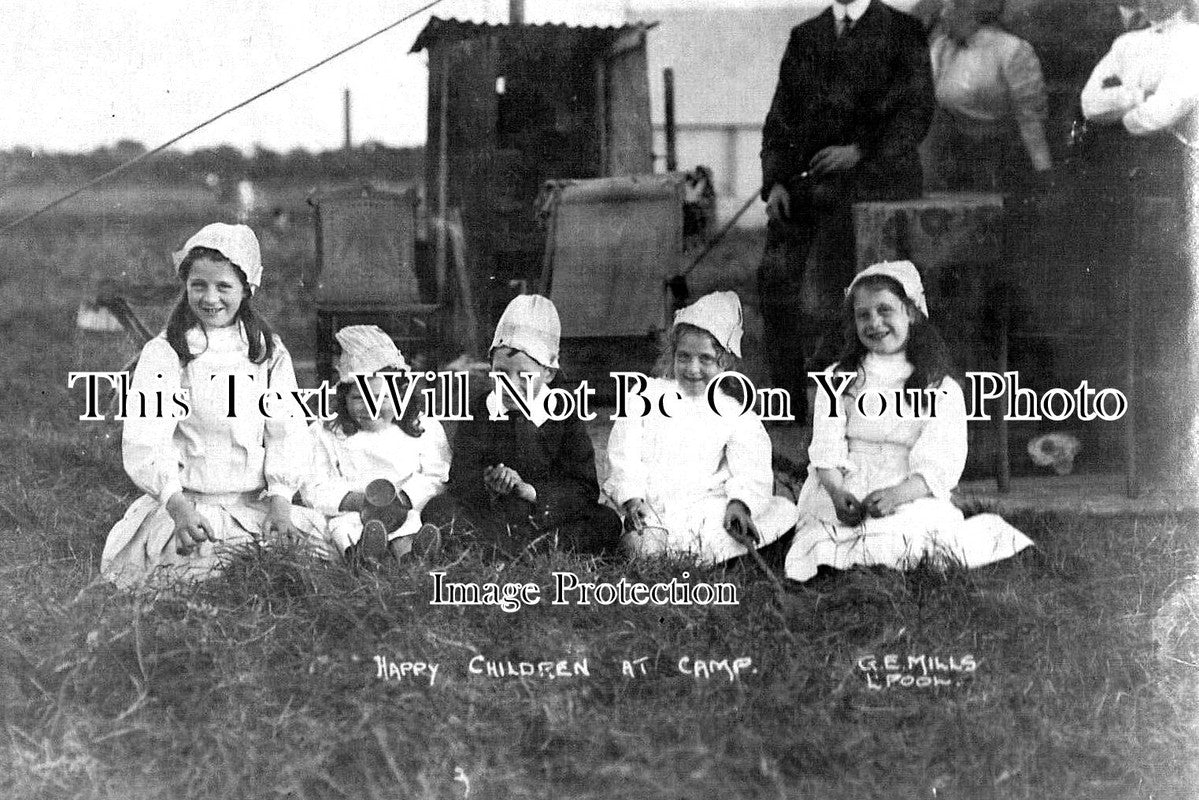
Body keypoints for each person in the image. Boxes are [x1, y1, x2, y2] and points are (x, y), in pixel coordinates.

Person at [101, 223, 328, 588]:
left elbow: (287, 431)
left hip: (252, 504)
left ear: (246, 288)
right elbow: (147, 438)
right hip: (189, 508)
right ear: (186, 286)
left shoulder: (266, 351)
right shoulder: (167, 352)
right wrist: (177, 506)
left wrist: (282, 499)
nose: (210, 298)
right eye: (198, 286)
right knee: (197, 575)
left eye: (224, 286)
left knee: (301, 566)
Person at [783, 260, 1033, 582]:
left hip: (908, 485)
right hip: (846, 481)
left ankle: (882, 556)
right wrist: (835, 490)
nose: (875, 323)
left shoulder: (938, 386)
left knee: (916, 532)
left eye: (885, 310)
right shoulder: (838, 378)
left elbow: (941, 462)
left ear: (911, 313)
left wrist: (897, 495)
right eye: (864, 315)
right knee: (820, 538)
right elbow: (827, 446)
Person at [757, 0, 935, 417]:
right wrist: (777, 181)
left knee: (837, 285)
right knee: (777, 277)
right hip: (811, 184)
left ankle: (848, 397)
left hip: (877, 176)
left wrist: (858, 150)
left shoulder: (902, 30)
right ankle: (788, 402)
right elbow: (780, 117)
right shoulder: (806, 37)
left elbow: (916, 111)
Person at [604, 292, 799, 565]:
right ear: (672, 355)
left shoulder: (734, 410)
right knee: (643, 543)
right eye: (684, 357)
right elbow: (624, 455)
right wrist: (633, 499)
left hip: (706, 509)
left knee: (783, 512)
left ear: (726, 363)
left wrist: (739, 503)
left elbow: (751, 467)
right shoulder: (645, 396)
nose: (692, 368)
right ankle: (685, 554)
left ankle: (716, 552)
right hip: (653, 509)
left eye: (705, 359)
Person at [421, 295, 621, 559]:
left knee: (606, 521)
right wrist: (489, 484)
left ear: (548, 373)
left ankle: (528, 549)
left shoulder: (563, 413)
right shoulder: (482, 409)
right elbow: (461, 475)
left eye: (524, 376)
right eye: (501, 373)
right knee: (438, 508)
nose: (510, 386)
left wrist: (531, 492)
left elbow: (583, 487)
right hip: (492, 513)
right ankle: (502, 548)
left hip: (544, 516)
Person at [302, 325, 450, 566]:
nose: (371, 408)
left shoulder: (423, 427)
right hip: (353, 511)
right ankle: (363, 558)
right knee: (345, 530)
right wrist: (357, 502)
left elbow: (438, 474)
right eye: (359, 398)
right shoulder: (327, 431)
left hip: (405, 509)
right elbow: (314, 486)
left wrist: (404, 498)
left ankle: (412, 558)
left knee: (410, 529)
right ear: (343, 398)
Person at [921, 0, 1053, 192]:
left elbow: (1030, 120)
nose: (942, 15)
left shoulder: (1012, 50)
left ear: (972, 8)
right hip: (953, 158)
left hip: (1004, 159)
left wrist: (1044, 175)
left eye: (951, 6)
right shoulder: (941, 49)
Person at [1079, 0, 1199, 196]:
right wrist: (1140, 96)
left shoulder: (1192, 39)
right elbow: (1090, 104)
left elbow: (1160, 114)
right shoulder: (1126, 43)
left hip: (1171, 166)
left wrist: (1117, 111)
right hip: (1122, 164)